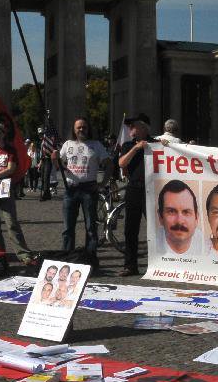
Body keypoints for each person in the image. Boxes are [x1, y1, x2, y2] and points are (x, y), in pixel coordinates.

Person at [0, 122, 34, 263]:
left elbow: (11, 169)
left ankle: (23, 253)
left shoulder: (10, 150)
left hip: (6, 188)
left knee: (11, 223)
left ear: (3, 134)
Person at [55, 119, 109, 256]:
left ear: (88, 129)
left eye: (84, 127)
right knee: (68, 228)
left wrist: (102, 183)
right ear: (74, 130)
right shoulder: (67, 144)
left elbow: (109, 163)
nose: (81, 129)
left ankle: (90, 257)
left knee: (91, 227)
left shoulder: (96, 145)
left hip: (89, 189)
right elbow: (58, 164)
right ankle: (67, 256)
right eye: (78, 127)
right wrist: (53, 158)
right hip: (70, 189)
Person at [116, 113, 157, 276]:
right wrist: (136, 148)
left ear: (143, 127)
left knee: (156, 229)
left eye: (133, 125)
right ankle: (130, 265)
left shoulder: (156, 143)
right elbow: (121, 163)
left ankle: (159, 264)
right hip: (134, 189)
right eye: (130, 126)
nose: (130, 128)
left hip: (152, 190)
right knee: (130, 230)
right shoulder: (127, 145)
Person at [156, 180, 199, 255]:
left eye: (186, 212)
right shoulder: (151, 244)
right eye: (171, 211)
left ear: (196, 218)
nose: (179, 221)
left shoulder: (209, 249)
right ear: (160, 217)